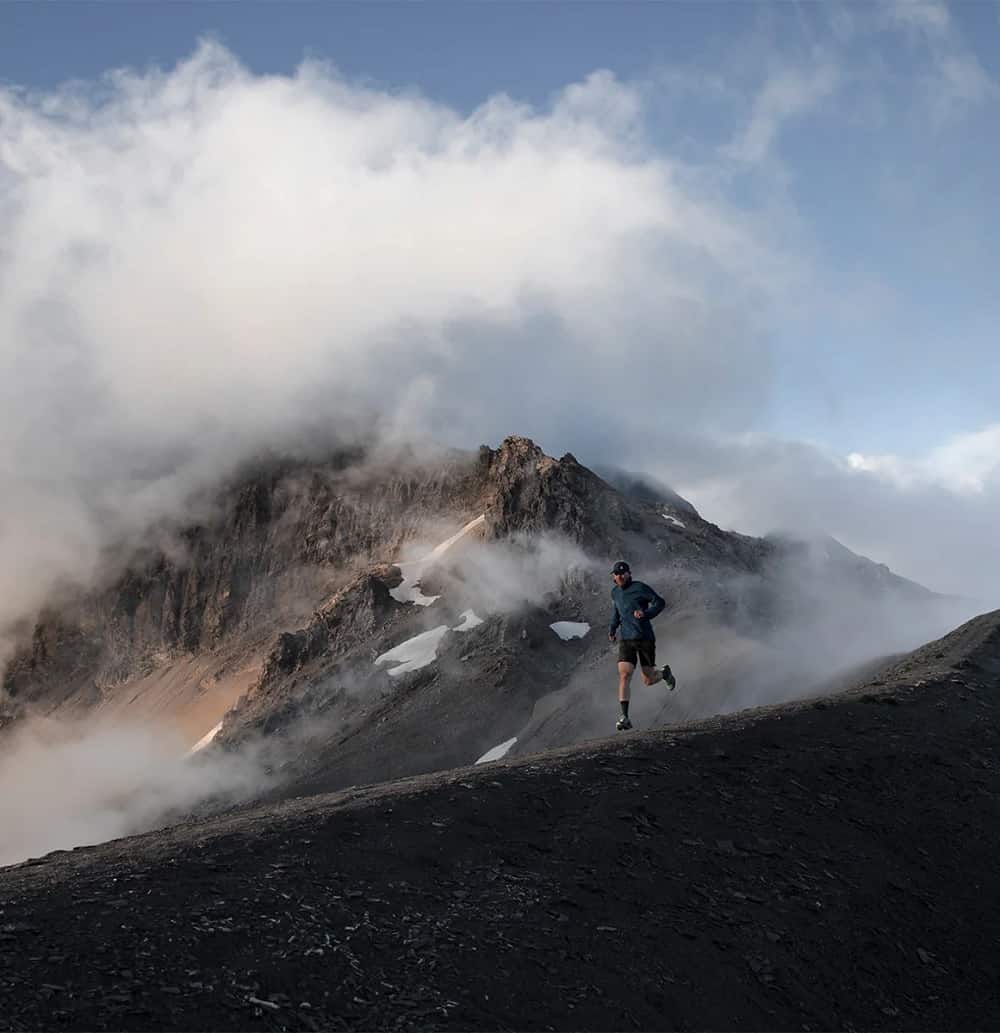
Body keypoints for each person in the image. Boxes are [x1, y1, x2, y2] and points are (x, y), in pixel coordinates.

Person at [607, 560, 675, 731]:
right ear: (613, 577)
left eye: (623, 573)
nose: (620, 576)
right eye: (617, 573)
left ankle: (665, 674)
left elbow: (660, 602)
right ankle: (624, 717)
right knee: (624, 674)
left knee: (648, 679)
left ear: (629, 574)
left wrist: (646, 613)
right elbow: (616, 612)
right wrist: (613, 629)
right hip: (626, 638)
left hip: (645, 638)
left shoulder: (640, 588)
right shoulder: (614, 593)